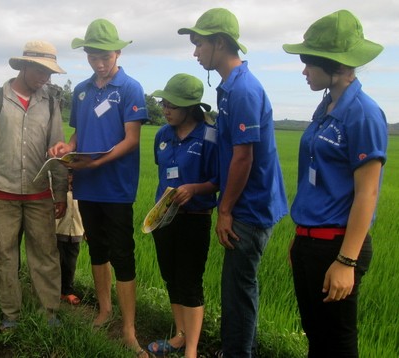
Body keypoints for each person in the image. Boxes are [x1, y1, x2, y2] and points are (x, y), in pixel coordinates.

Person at [178, 8, 288, 358]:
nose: (195, 52)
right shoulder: (230, 88)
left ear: (220, 43)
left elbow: (244, 157)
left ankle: (238, 352)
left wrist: (224, 209)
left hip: (250, 207)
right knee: (235, 286)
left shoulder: (242, 90)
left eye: (199, 44)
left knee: (239, 289)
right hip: (246, 203)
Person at [282, 10, 388, 357]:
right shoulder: (326, 106)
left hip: (338, 246)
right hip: (310, 242)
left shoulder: (363, 113)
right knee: (316, 335)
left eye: (309, 63)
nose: (304, 70)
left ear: (336, 66)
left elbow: (367, 193)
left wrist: (346, 261)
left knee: (338, 343)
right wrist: (300, 240)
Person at [48, 19, 149, 357]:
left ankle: (129, 329)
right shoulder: (81, 90)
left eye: (105, 57)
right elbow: (78, 135)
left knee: (124, 255)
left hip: (116, 188)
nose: (100, 64)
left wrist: (95, 162)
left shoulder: (130, 88)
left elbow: (131, 140)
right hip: (87, 187)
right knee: (98, 251)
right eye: (93, 57)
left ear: (118, 52)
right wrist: (66, 148)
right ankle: (105, 311)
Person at [0, 40, 67, 330]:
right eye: (40, 71)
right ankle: (10, 314)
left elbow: (58, 149)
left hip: (40, 194)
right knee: (6, 254)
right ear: (25, 66)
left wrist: (60, 192)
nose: (45, 78)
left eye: (49, 73)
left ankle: (48, 312)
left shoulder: (50, 102)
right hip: (2, 193)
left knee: (45, 255)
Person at [146, 74, 219, 358]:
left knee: (190, 281)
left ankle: (191, 350)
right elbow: (161, 172)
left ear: (189, 107)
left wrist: (194, 188)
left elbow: (218, 180)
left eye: (172, 105)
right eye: (164, 104)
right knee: (171, 278)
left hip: (194, 217)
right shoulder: (162, 135)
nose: (165, 110)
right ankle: (179, 335)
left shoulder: (209, 137)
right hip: (163, 217)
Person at [56, 169, 84, 306]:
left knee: (70, 265)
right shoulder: (58, 194)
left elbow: (86, 214)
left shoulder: (82, 193)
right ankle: (55, 290)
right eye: (68, 175)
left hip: (76, 234)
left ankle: (67, 291)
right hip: (58, 232)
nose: (70, 178)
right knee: (56, 263)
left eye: (73, 175)